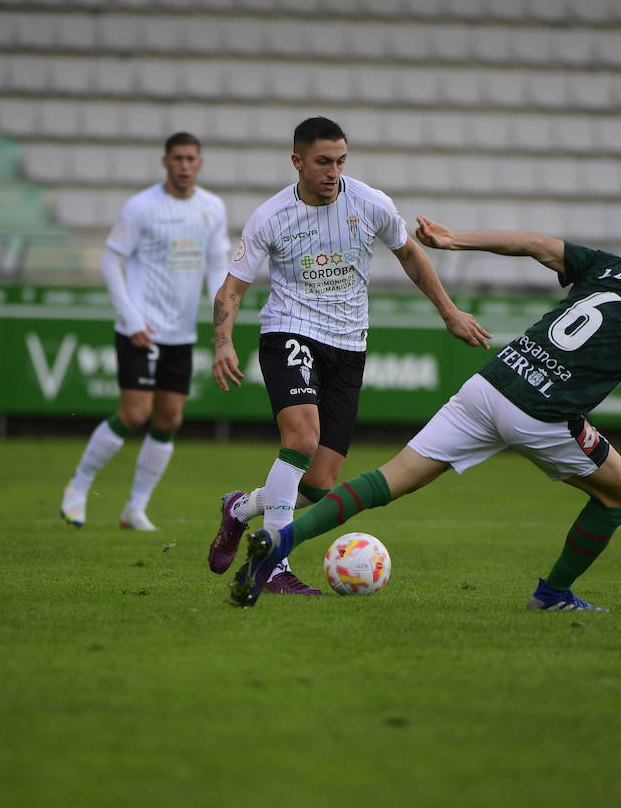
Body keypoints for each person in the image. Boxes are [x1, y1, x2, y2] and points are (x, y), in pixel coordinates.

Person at [227, 216, 621, 608]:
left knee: (388, 479)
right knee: (620, 493)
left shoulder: (613, 266)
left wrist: (453, 238)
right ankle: (552, 594)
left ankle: (278, 542)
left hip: (491, 383)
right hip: (541, 416)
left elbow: (532, 243)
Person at [207, 117, 491, 594]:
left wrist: (450, 312)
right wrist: (222, 342)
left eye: (340, 161)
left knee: (320, 482)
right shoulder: (270, 216)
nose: (332, 171)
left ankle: (241, 508)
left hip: (348, 344)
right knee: (301, 438)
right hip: (290, 332)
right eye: (322, 161)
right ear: (297, 161)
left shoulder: (371, 203)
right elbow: (233, 285)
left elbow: (411, 256)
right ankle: (272, 567)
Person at [59, 132, 228, 530]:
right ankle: (78, 486)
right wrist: (131, 318)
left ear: (199, 163)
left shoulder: (212, 208)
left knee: (169, 420)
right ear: (165, 161)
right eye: (178, 158)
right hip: (142, 329)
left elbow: (217, 268)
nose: (185, 165)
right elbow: (110, 262)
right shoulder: (141, 207)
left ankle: (134, 509)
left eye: (191, 159)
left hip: (181, 334)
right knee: (135, 414)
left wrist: (221, 319)